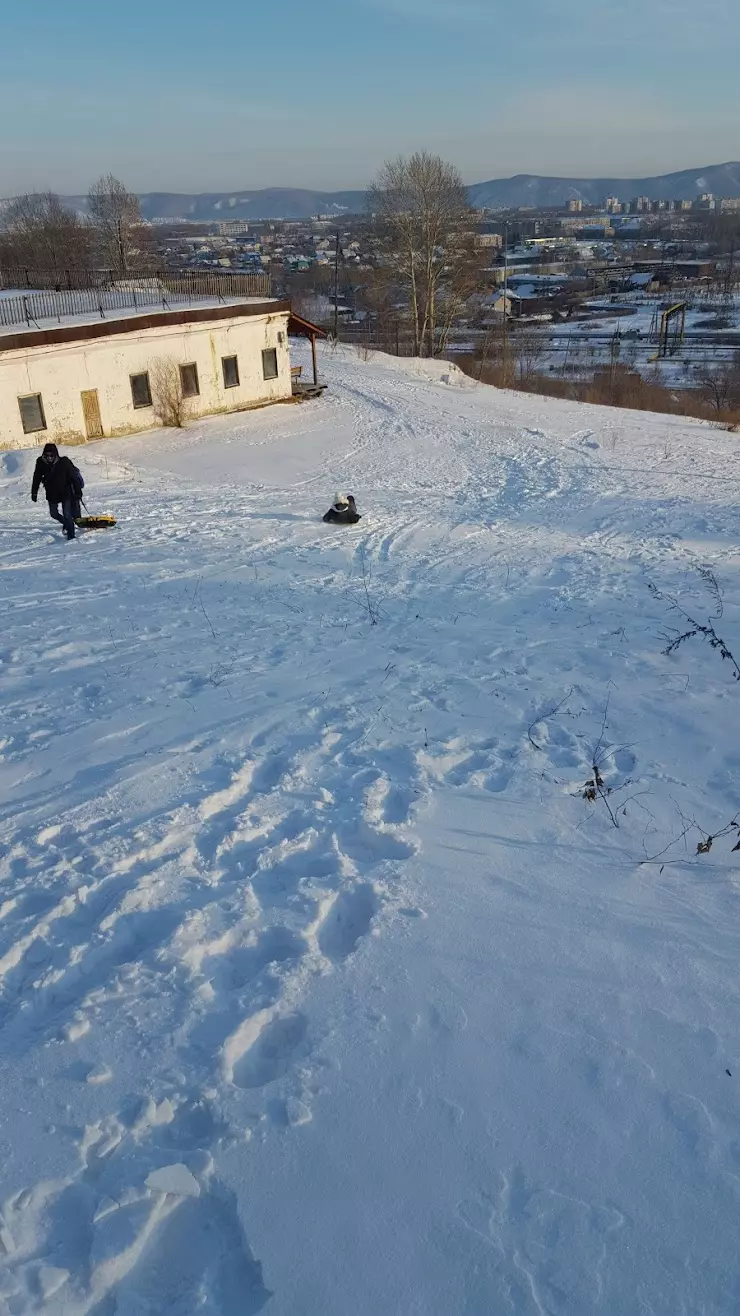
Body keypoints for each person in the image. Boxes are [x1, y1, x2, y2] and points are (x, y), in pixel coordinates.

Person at [31, 443, 85, 540]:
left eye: (51, 455)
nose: (49, 458)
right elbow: (37, 477)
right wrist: (34, 492)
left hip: (65, 492)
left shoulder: (64, 462)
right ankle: (65, 523)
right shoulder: (40, 462)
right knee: (53, 514)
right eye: (46, 455)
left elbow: (73, 477)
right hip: (52, 493)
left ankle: (71, 536)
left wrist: (78, 491)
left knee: (67, 514)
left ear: (55, 454)